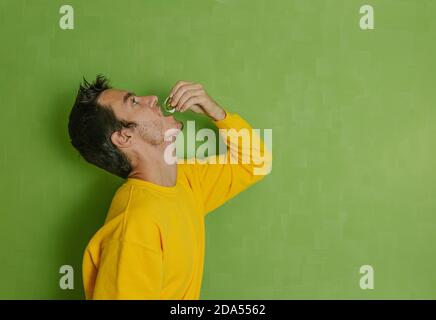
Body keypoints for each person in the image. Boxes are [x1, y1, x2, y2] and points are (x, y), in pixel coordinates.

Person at [67, 75, 272, 299]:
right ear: (125, 137)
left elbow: (255, 163)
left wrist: (216, 113)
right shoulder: (134, 226)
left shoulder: (185, 181)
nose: (152, 98)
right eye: (134, 102)